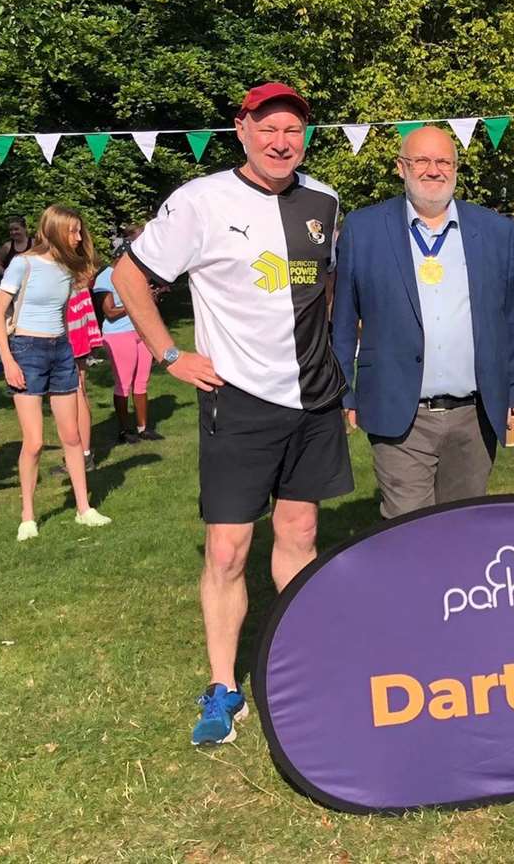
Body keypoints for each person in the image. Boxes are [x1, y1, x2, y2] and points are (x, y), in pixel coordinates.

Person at [111, 81, 352, 747]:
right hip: (237, 401)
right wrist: (167, 355)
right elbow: (128, 275)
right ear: (241, 128)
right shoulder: (199, 201)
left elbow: (320, 285)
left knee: (299, 536)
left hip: (314, 399)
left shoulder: (324, 201)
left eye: (293, 130)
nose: (281, 142)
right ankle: (223, 688)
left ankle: (303, 663)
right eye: (268, 127)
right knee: (227, 549)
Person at [334, 125, 514, 517]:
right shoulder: (364, 228)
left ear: (456, 167)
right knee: (408, 532)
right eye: (421, 160)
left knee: (465, 528)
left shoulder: (495, 231)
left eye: (444, 161)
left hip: (475, 415)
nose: (433, 170)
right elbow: (342, 319)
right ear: (400, 167)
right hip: (399, 410)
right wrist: (345, 390)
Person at [0, 205, 110, 541]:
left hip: (62, 349)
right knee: (36, 441)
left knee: (71, 436)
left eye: (80, 231)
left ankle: (84, 508)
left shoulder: (69, 268)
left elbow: (92, 263)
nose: (78, 236)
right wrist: (8, 360)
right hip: (27, 350)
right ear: (55, 230)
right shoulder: (23, 263)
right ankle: (27, 515)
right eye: (72, 230)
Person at [93, 233, 163, 444]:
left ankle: (143, 428)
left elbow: (143, 303)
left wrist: (151, 298)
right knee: (123, 383)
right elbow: (110, 312)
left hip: (140, 332)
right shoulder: (106, 276)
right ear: (120, 256)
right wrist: (134, 303)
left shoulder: (137, 274)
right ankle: (124, 430)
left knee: (142, 382)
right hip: (118, 334)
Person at [63, 269, 105, 473]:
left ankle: (82, 454)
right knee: (79, 393)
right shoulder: (74, 271)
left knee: (76, 394)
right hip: (77, 339)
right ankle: (82, 453)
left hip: (70, 340)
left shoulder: (65, 274)